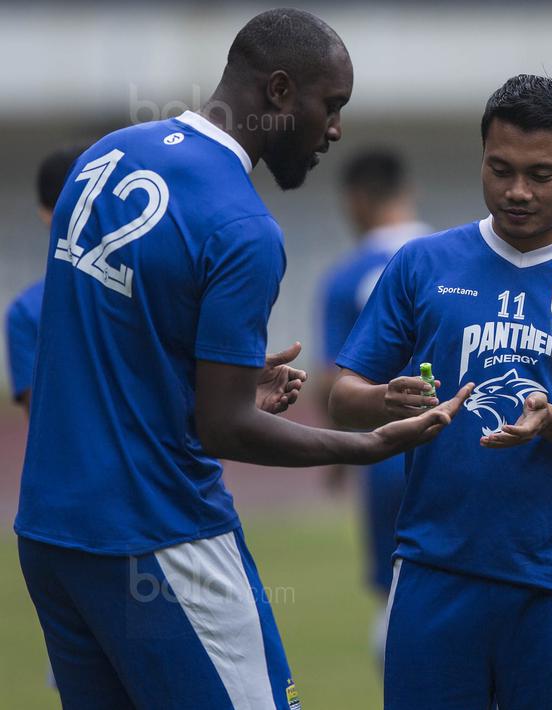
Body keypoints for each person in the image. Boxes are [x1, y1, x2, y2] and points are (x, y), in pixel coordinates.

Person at [15, 10, 467, 709]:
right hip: (159, 534)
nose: (335, 130)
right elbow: (226, 429)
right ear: (281, 91)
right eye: (332, 106)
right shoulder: (242, 225)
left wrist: (211, 374)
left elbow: (100, 336)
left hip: (50, 532)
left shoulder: (107, 156)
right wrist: (367, 444)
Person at [329, 74, 552, 709]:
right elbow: (342, 397)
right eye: (499, 169)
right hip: (433, 573)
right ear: (481, 156)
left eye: (541, 174)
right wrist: (391, 401)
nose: (517, 191)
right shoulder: (421, 264)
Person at [317, 148, 434, 668]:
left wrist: (338, 456)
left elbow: (332, 381)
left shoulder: (346, 278)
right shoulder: (451, 254)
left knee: (397, 594)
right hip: (455, 442)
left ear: (357, 201)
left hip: (383, 452)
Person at [7, 144, 86, 415]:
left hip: (75, 456)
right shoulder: (152, 289)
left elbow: (44, 417)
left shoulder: (27, 311)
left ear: (44, 213)